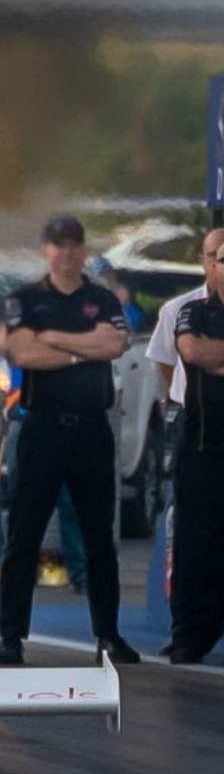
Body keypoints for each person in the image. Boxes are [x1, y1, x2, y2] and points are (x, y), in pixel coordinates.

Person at [0, 216, 139, 666]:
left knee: (99, 538)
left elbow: (114, 344)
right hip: (42, 427)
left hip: (93, 428)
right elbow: (21, 350)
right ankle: (12, 638)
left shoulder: (100, 297)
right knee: (24, 534)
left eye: (74, 245)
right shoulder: (27, 298)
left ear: (83, 250)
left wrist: (56, 341)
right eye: (59, 245)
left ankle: (108, 635)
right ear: (47, 250)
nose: (67, 253)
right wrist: (82, 347)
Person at [167, 245, 224, 664]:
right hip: (204, 446)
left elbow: (211, 355)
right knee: (196, 543)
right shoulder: (194, 311)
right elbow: (192, 352)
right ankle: (190, 635)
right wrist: (209, 355)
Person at [147, 229, 224, 405]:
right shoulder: (176, 309)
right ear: (202, 261)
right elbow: (166, 362)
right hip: (194, 414)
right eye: (213, 255)